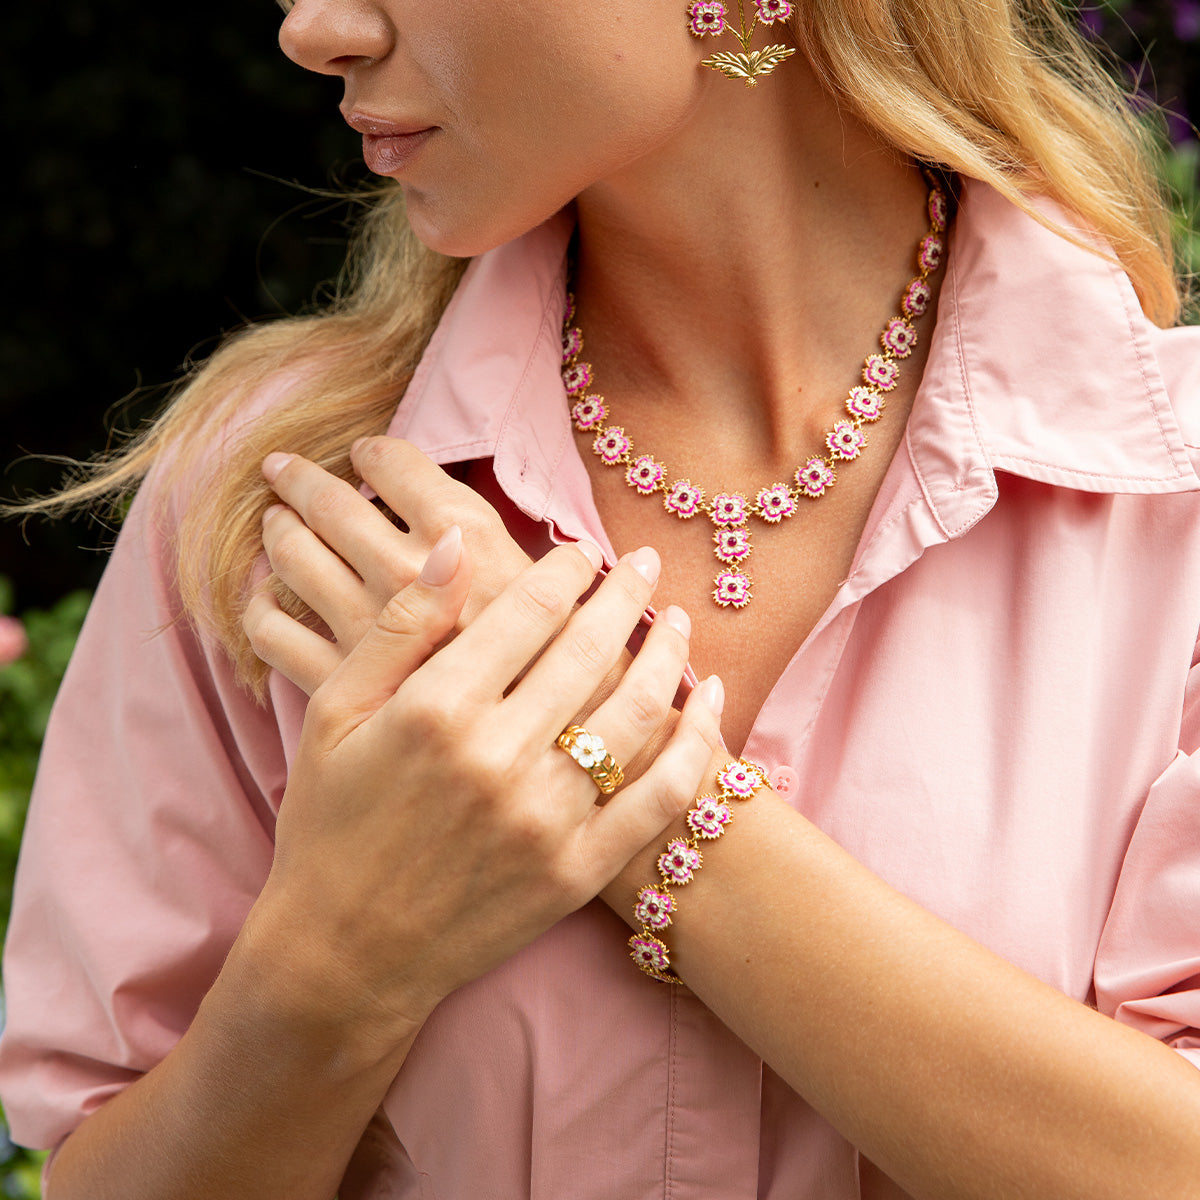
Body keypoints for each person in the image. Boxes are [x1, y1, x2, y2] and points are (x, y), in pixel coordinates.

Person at [3, 0, 1200, 1195]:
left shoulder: (1176, 506)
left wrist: (625, 783)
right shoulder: (279, 499)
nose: (314, 31)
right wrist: (335, 965)